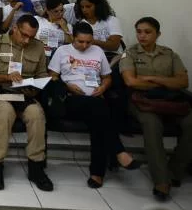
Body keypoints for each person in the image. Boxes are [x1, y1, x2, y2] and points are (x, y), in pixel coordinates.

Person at [49, 22, 138, 188]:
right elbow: (52, 77)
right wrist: (67, 85)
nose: (85, 45)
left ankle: (97, 174)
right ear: (73, 38)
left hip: (95, 100)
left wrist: (103, 87)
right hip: (70, 99)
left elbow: (107, 77)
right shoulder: (62, 51)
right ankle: (118, 153)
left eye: (88, 42)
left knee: (99, 121)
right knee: (101, 111)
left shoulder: (97, 51)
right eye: (80, 42)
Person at [0, 14, 53, 191]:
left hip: (24, 95)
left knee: (36, 115)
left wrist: (36, 87)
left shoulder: (38, 47)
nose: (27, 40)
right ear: (15, 28)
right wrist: (6, 77)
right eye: (24, 35)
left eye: (31, 37)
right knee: (5, 113)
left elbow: (42, 74)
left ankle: (36, 167)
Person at [120, 17, 192, 201]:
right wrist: (167, 83)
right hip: (143, 102)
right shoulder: (130, 54)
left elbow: (183, 82)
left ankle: (175, 171)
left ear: (158, 34)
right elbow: (131, 81)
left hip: (171, 102)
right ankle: (162, 181)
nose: (142, 36)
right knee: (152, 125)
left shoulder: (169, 54)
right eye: (139, 32)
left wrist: (152, 79)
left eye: (147, 32)